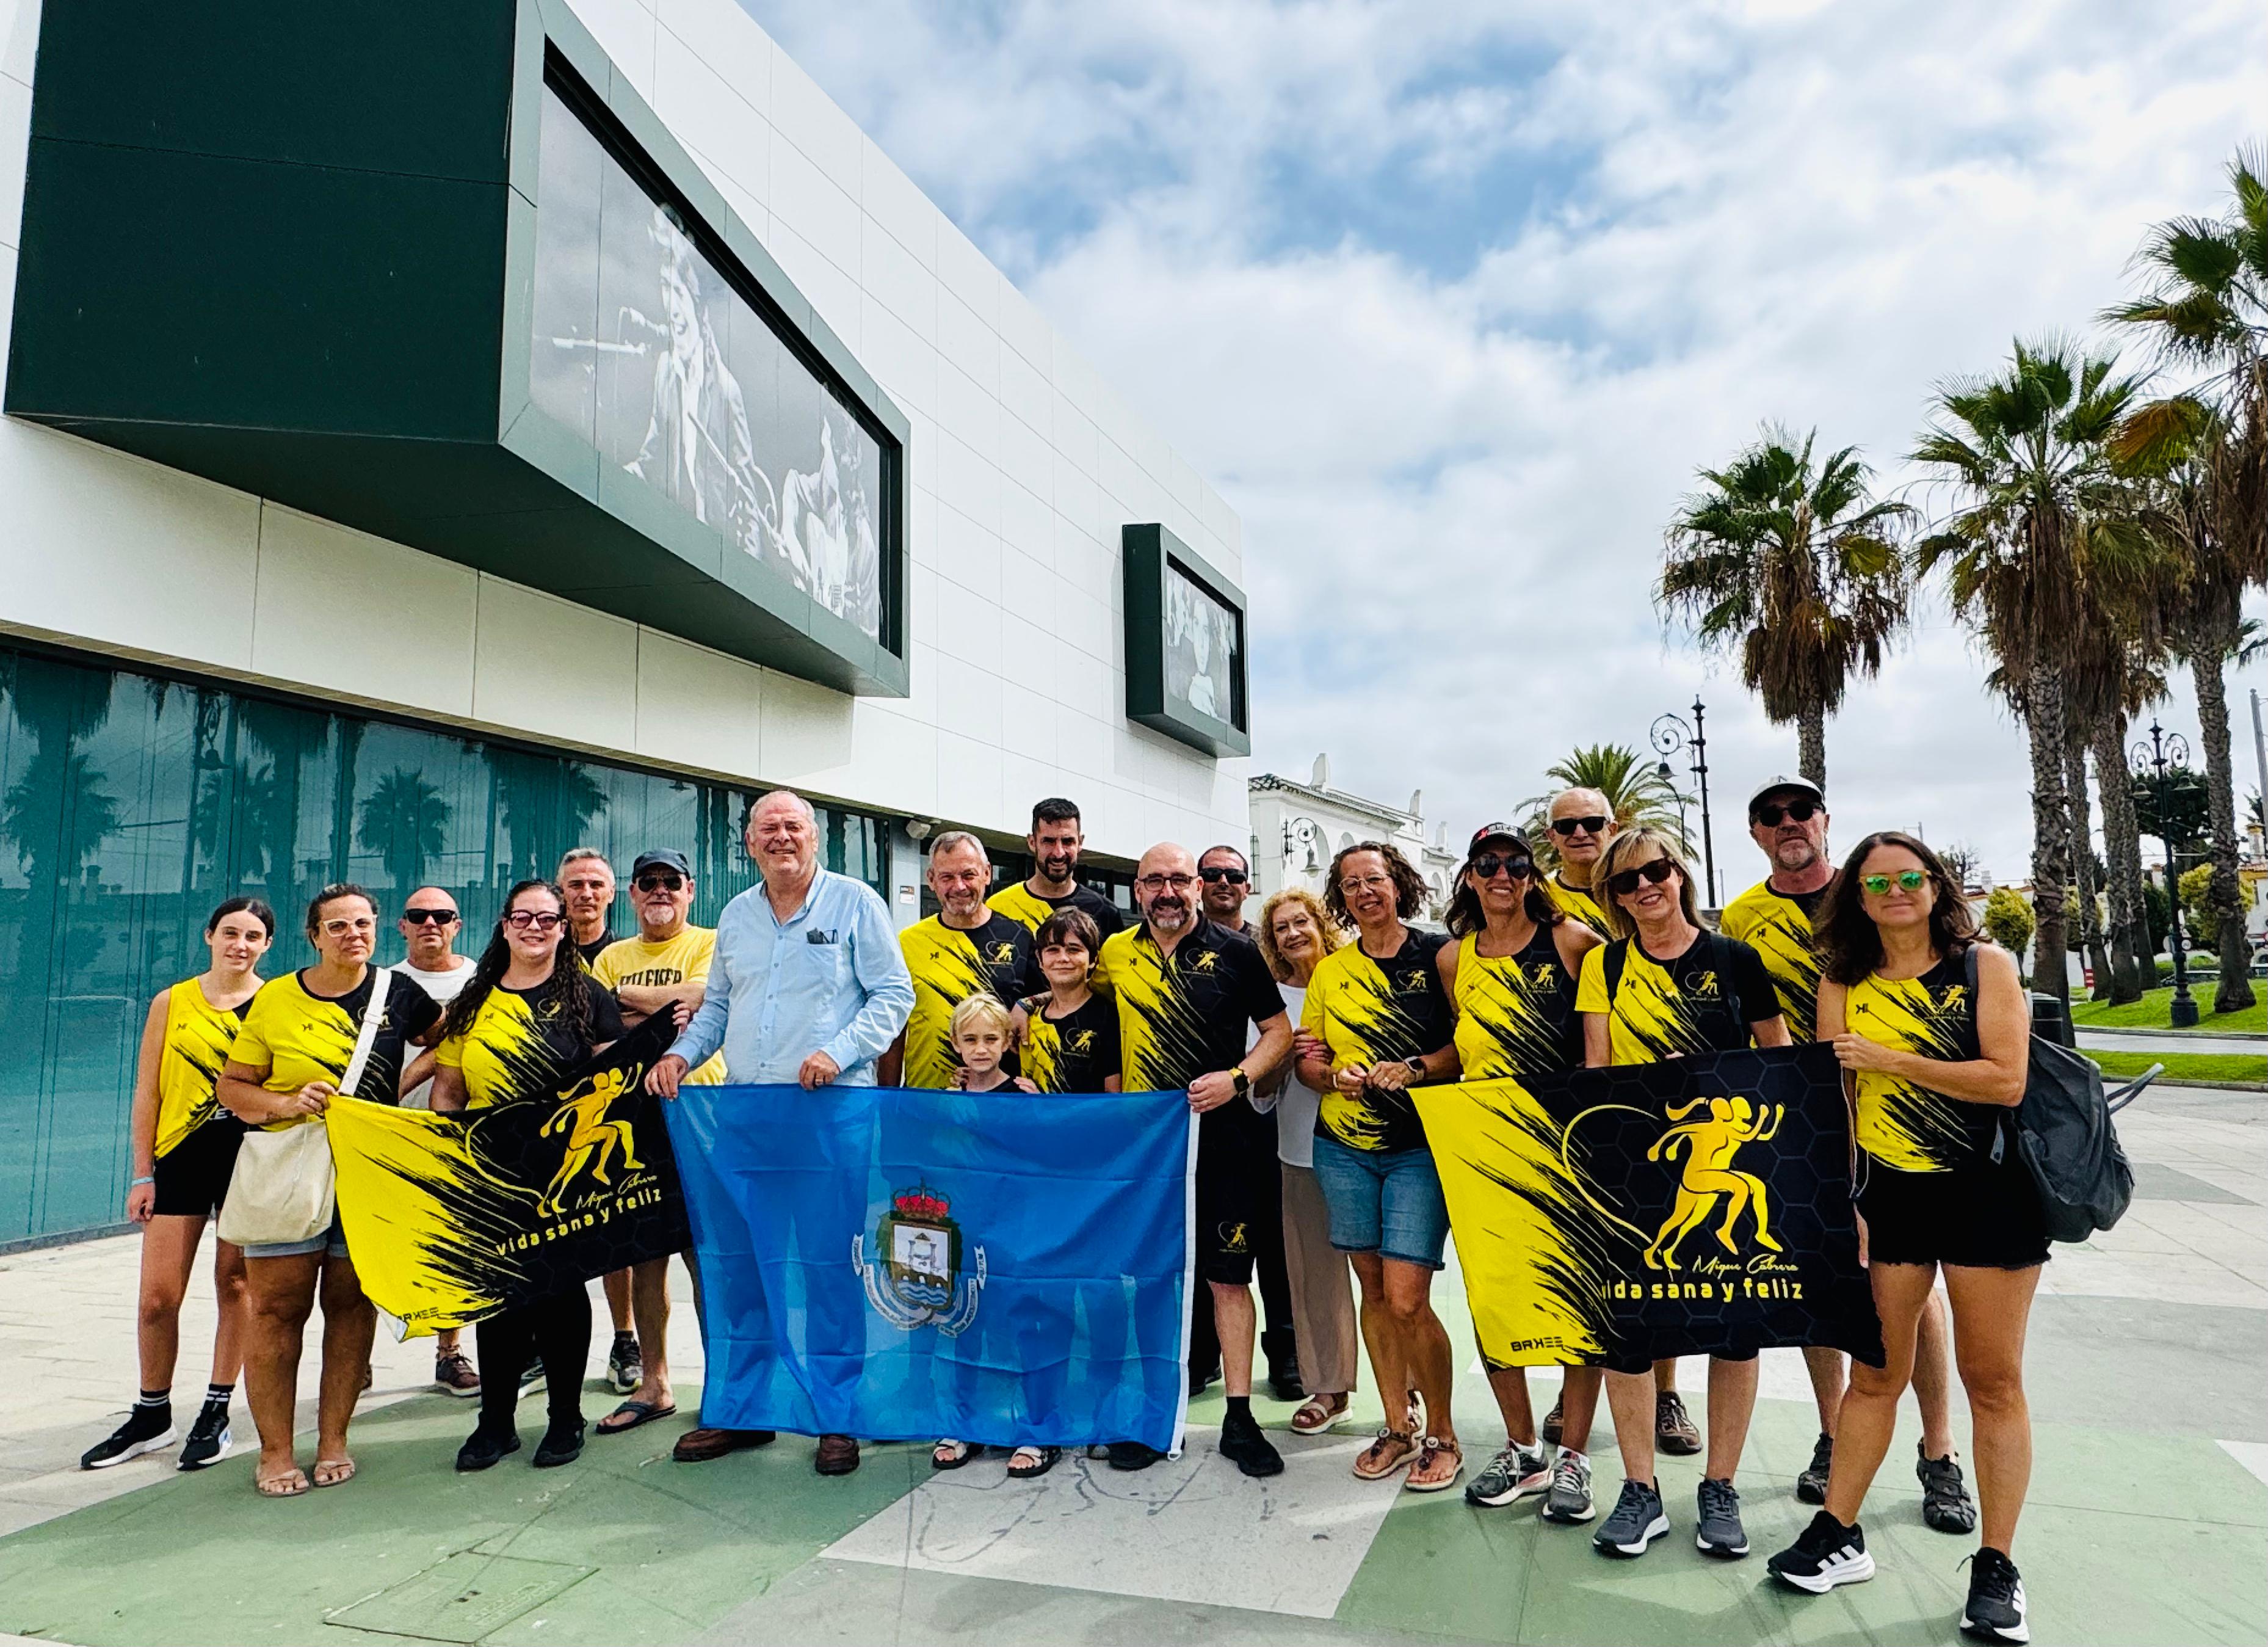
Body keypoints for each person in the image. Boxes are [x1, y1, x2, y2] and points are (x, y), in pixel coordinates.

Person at [1767, 833, 2043, 1647]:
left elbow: (2004, 1077)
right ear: (1854, 895)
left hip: (1986, 1193)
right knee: (1873, 1373)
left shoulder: (1980, 966)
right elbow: (1837, 1097)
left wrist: (1895, 1057)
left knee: (1989, 1380)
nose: (1893, 890)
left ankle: (1995, 1567)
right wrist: (1844, 1196)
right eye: (1875, 880)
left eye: (1908, 876)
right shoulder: (1840, 981)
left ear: (1933, 884)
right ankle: (1836, 1532)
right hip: (1889, 1198)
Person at [1721, 779, 1974, 1529]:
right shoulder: (1741, 919)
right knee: (1822, 1287)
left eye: (1801, 811)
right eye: (1771, 816)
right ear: (1756, 834)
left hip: (1891, 1114)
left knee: (1915, 1290)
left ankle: (1939, 1450)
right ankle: (1835, 1435)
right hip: (1796, 1121)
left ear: (1825, 822)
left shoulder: (1873, 893)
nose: (1789, 824)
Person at [648, 789, 913, 1475]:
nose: (781, 837)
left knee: (827, 1267)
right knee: (740, 1267)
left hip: (829, 1116)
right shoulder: (736, 915)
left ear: (815, 837)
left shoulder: (856, 903)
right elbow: (720, 1007)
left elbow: (894, 994)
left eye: (793, 826)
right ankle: (743, 1410)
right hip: (747, 1117)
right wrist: (681, 1056)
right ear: (749, 843)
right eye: (768, 829)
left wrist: (840, 1051)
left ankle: (835, 1415)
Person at [1573, 830, 1789, 1561]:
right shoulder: (1604, 964)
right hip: (1636, 1176)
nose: (1644, 888)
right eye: (1627, 881)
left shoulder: (1735, 960)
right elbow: (1596, 1072)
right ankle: (1640, 1490)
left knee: (1735, 1334)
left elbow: (1781, 1065)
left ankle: (1718, 1486)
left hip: (1725, 1163)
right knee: (1628, 1337)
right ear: (1613, 895)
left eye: (1655, 872)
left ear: (1679, 873)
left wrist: (1709, 1075)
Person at [216, 885, 444, 1497]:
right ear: (314, 936)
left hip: (368, 1171)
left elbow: (448, 1042)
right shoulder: (277, 1000)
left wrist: (403, 1086)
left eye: (363, 924)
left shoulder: (401, 994)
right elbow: (232, 1088)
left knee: (351, 1308)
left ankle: (335, 1440)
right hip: (290, 1170)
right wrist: (286, 1102)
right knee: (277, 1311)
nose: (354, 935)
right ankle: (276, 1451)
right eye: (337, 926)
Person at [1093, 843, 1295, 1478]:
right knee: (1152, 1280)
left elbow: (1279, 1033)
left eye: (1179, 880)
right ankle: (1153, 1413)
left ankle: (1239, 1417)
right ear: (1136, 889)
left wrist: (1237, 1078)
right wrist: (1022, 1010)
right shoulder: (1115, 954)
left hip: (1224, 1142)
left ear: (1198, 887)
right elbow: (1076, 995)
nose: (1168, 892)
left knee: (1228, 1280)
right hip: (1146, 1149)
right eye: (1154, 881)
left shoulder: (1237, 952)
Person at [1433, 824, 1607, 1523]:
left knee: (1578, 1301)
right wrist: (1413, 1069)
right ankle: (1522, 1446)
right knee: (1493, 1299)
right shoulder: (1452, 958)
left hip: (1564, 1149)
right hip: (1484, 1150)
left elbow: (1612, 1017)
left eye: (1514, 864)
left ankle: (1575, 1457)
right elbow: (1462, 1043)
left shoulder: (1571, 942)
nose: (1501, 875)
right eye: (1487, 864)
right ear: (1470, 877)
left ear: (1532, 876)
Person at [432, 879, 626, 1472]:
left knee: (561, 1293)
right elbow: (447, 1087)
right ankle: (496, 1423)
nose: (536, 928)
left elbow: (615, 1083)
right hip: (492, 1169)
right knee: (499, 1298)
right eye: (525, 918)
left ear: (564, 929)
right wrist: (447, 1157)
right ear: (505, 926)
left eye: (548, 919)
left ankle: (565, 1418)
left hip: (564, 1172)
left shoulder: (589, 997)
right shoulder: (474, 1001)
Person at [1536, 789, 1703, 1465]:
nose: (1579, 834)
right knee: (1594, 1266)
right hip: (1580, 1095)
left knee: (1663, 1264)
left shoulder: (1653, 892)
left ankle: (1665, 1392)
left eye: (1591, 824)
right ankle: (1572, 1394)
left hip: (1670, 1106)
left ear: (1616, 828)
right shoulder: (1538, 900)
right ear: (1551, 837)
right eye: (1565, 826)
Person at [80, 898, 276, 1474]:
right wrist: (143, 1170)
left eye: (254, 935)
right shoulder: (173, 1000)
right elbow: (148, 1090)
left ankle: (216, 1411)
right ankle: (151, 1413)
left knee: (234, 1283)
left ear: (267, 945)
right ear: (210, 935)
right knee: (156, 1299)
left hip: (247, 1157)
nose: (240, 944)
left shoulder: (275, 1002)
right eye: (231, 932)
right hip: (180, 1158)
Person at [1295, 841, 1464, 1493]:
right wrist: (1332, 1076)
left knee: (1407, 1297)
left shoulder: (1438, 957)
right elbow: (1308, 1060)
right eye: (1351, 884)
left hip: (1419, 1147)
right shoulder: (1331, 973)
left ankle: (1443, 1433)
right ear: (1341, 897)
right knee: (1372, 1292)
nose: (1365, 892)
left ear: (1399, 885)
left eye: (1376, 879)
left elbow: (1466, 1043)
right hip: (1342, 1149)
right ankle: (1397, 1426)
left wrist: (1416, 1069)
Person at [591, 849, 723, 1446]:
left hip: (701, 1116)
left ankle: (723, 1383)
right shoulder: (610, 956)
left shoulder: (710, 941)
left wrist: (633, 1005)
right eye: (649, 883)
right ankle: (654, 1383)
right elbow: (594, 1028)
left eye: (672, 882)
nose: (661, 891)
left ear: (689, 891)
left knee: (705, 1259)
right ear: (633, 893)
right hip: (633, 1121)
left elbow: (698, 1000)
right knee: (646, 1257)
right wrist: (665, 1009)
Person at [929, 994, 1065, 1481]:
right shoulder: (949, 1099)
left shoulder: (1024, 1095)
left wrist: (1038, 1112)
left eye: (991, 1038)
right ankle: (965, 1421)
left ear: (1008, 1041)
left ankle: (1039, 1427)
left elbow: (1046, 1160)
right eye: (970, 1039)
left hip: (1018, 1229)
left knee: (1027, 1322)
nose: (981, 1048)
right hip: (966, 1225)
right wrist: (951, 1111)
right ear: (955, 1043)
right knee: (965, 1323)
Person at [1194, 840, 1300, 1401]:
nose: (1222, 882)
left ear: (1247, 884)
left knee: (1275, 1242)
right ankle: (1200, 1356)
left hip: (1268, 1108)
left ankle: (1285, 1353)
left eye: (1233, 874)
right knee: (1208, 1243)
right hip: (1209, 1116)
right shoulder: (1178, 947)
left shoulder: (1267, 948)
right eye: (1210, 874)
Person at [1252, 889, 1360, 1439]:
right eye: (1280, 929)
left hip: (1370, 1147)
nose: (1293, 934)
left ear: (1320, 923)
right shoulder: (1268, 1002)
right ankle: (1329, 1388)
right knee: (1315, 1276)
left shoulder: (1354, 976)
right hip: (1299, 1150)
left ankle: (1407, 1391)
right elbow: (1260, 1090)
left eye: (1300, 921)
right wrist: (1282, 1057)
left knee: (1393, 1281)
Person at [388, 887, 482, 1398]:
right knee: (369, 1248)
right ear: (402, 925)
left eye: (441, 916)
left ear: (457, 925)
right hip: (390, 1132)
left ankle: (450, 1352)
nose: (430, 923)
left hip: (461, 1130)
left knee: (453, 1246)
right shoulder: (383, 984)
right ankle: (355, 1358)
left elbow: (455, 1042)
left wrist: (401, 1084)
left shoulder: (479, 980)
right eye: (418, 916)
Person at [559, 847, 641, 1398]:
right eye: (575, 885)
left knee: (616, 1234)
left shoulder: (625, 954)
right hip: (554, 1109)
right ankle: (549, 1346)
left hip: (617, 1106)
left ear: (613, 894)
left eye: (596, 884)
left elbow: (639, 1021)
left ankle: (625, 1337)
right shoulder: (543, 946)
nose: (585, 893)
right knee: (555, 1234)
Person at [882, 832, 1038, 1090]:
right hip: (927, 1102)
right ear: (931, 879)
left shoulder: (1020, 937)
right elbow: (894, 1031)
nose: (959, 886)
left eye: (968, 875)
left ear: (987, 874)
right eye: (947, 877)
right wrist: (887, 1099)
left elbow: (1045, 1012)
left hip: (999, 1105)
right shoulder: (907, 943)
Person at [1015, 909, 1121, 1096]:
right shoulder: (1027, 1020)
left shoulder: (1109, 1016)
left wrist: (1047, 1104)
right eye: (1053, 950)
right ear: (1040, 960)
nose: (1063, 958)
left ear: (1093, 960)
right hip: (1034, 1124)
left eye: (1074, 950)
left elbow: (1112, 1097)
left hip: (1086, 1125)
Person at [990, 798, 1126, 941]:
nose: (1059, 853)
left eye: (1068, 842)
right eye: (1049, 841)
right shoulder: (998, 908)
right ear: (1032, 842)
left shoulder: (1106, 912)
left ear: (1080, 843)